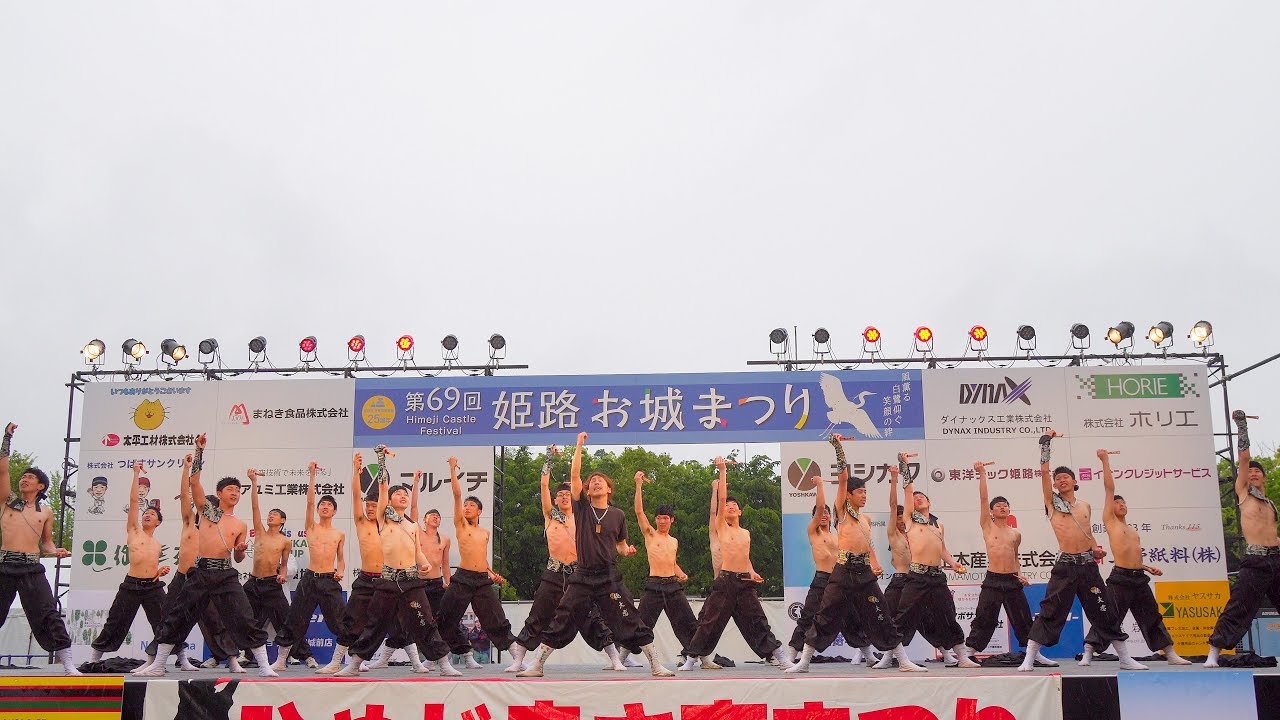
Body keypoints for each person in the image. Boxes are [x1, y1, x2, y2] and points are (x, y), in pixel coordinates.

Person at [516, 432, 674, 678]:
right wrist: (579, 445)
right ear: (587, 491)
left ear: (609, 489)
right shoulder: (581, 509)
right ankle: (537, 665)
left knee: (630, 616)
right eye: (592, 482)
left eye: (601, 481)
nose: (596, 482)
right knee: (562, 615)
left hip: (609, 576)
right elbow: (574, 476)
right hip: (582, 576)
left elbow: (620, 544)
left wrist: (627, 550)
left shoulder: (618, 515)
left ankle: (655, 664)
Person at [138, 433, 279, 677]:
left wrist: (240, 550)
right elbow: (194, 484)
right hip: (201, 572)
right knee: (178, 616)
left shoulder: (240, 524)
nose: (234, 493)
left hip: (225, 573)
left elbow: (238, 559)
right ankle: (158, 665)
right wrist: (199, 451)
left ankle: (265, 667)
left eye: (238, 490)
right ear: (219, 493)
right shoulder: (207, 512)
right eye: (230, 489)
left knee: (244, 617)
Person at [788, 435, 924, 673]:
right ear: (849, 495)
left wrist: (874, 563)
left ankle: (903, 661)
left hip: (864, 573)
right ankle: (804, 662)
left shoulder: (865, 519)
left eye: (865, 492)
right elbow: (843, 478)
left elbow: (868, 545)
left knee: (882, 613)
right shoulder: (842, 511)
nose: (864, 495)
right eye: (860, 491)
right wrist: (838, 447)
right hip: (843, 571)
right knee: (824, 614)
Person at [1018, 431, 1144, 672]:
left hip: (1088, 566)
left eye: (1066, 477)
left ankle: (1125, 659)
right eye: (1058, 478)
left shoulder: (1085, 505)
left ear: (1075, 482)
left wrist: (1095, 549)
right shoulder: (1052, 503)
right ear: (1055, 485)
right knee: (1051, 610)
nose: (1062, 480)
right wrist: (1046, 444)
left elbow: (1088, 533)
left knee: (1105, 609)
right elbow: (1044, 472)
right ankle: (1029, 658)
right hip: (1065, 566)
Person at [336, 446, 458, 677]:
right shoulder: (383, 518)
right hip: (388, 580)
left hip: (411, 580)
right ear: (389, 500)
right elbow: (383, 486)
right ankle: (354, 665)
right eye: (398, 493)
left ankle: (444, 664)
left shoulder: (412, 525)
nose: (403, 496)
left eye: (405, 494)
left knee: (425, 621)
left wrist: (424, 564)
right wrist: (381, 459)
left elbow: (417, 551)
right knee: (374, 624)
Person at [507, 447, 618, 672]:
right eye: (561, 495)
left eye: (568, 494)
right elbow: (543, 485)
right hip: (554, 572)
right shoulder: (551, 516)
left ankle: (615, 657)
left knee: (591, 615)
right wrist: (549, 457)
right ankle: (519, 660)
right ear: (555, 499)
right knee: (538, 614)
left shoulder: (583, 516)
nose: (565, 496)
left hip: (579, 574)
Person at [680, 457, 792, 671]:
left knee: (758, 620)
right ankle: (691, 659)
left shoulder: (746, 533)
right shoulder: (722, 527)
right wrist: (722, 472)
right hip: (725, 581)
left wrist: (752, 571)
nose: (730, 507)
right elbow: (721, 500)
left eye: (735, 506)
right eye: (728, 506)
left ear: (740, 512)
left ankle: (779, 656)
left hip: (744, 582)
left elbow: (745, 556)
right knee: (710, 622)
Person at [1080, 449, 1190, 666]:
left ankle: (1170, 653)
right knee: (1108, 615)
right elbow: (1109, 488)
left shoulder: (1132, 530)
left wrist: (1147, 568)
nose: (1121, 504)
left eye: (1123, 502)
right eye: (1117, 502)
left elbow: (1132, 555)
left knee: (1152, 615)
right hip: (1120, 578)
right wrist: (1105, 461)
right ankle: (1089, 651)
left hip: (1139, 577)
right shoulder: (1110, 521)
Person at [882, 453, 980, 668]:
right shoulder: (909, 520)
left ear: (929, 502)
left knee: (948, 616)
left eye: (922, 497)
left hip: (937, 577)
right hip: (916, 576)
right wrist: (905, 465)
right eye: (915, 498)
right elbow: (908, 490)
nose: (918, 498)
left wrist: (953, 563)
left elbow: (942, 549)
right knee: (903, 616)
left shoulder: (938, 525)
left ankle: (962, 657)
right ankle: (899, 660)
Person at [0, 422, 78, 675]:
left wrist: (56, 551)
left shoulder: (45, 511)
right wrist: (7, 438)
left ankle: (68, 663)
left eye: (30, 477)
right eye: (23, 476)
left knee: (48, 614)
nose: (24, 479)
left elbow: (46, 543)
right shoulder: (7, 502)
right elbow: (2, 471)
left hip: (31, 567)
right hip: (4, 566)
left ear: (41, 486)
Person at [786, 447, 875, 666]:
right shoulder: (813, 532)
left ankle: (868, 655)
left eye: (827, 513)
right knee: (808, 617)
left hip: (840, 578)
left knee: (852, 617)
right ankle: (791, 656)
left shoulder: (836, 534)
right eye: (821, 514)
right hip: (821, 580)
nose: (824, 515)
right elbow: (819, 507)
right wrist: (819, 485)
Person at [140, 453, 226, 673]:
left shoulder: (217, 529)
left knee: (213, 620)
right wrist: (187, 468)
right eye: (204, 507)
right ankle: (158, 660)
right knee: (169, 618)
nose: (207, 511)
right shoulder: (189, 522)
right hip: (182, 578)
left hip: (203, 578)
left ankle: (230, 659)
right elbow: (186, 496)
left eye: (212, 508)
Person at [963, 461, 1055, 667]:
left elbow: (1015, 557)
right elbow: (983, 498)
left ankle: (1033, 654)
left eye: (1005, 505)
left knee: (1023, 618)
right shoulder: (987, 526)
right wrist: (982, 473)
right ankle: (969, 653)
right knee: (985, 616)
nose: (1002, 507)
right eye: (998, 505)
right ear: (991, 511)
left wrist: (1020, 575)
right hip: (993, 579)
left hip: (1012, 580)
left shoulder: (1016, 534)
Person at [1207, 412, 1280, 667]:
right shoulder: (1244, 494)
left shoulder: (1269, 503)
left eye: (1258, 471)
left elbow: (1272, 533)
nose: (1254, 473)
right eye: (1250, 471)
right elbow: (1244, 458)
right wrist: (1242, 426)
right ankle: (1214, 653)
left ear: (1264, 477)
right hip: (1256, 561)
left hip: (1276, 560)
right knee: (1238, 606)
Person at [435, 456, 517, 669]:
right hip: (462, 578)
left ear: (480, 511)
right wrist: (452, 469)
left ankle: (517, 658)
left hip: (481, 580)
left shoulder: (485, 532)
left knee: (496, 618)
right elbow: (457, 494)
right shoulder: (461, 525)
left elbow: (481, 557)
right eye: (466, 505)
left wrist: (491, 573)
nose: (467, 507)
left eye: (472, 505)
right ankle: (436, 657)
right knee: (445, 617)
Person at [88, 462, 171, 664]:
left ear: (158, 522)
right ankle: (94, 658)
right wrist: (135, 474)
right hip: (131, 584)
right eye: (145, 513)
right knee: (116, 620)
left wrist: (160, 571)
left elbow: (150, 565)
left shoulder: (158, 544)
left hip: (152, 586)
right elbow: (134, 502)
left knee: (165, 622)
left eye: (152, 514)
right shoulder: (134, 531)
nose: (147, 515)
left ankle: (181, 659)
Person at [271, 463, 347, 671]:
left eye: (329, 505)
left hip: (329, 580)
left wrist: (341, 571)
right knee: (295, 619)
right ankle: (281, 661)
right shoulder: (311, 527)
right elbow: (310, 501)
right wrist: (312, 475)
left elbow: (341, 559)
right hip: (310, 580)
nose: (325, 507)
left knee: (341, 622)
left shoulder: (339, 534)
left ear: (334, 511)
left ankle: (345, 661)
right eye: (322, 504)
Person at [240, 470, 312, 670]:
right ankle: (241, 655)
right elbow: (255, 507)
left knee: (286, 620)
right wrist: (254, 482)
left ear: (282, 521)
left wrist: (282, 574)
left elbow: (285, 563)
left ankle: (305, 655)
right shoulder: (260, 532)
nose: (271, 516)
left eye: (275, 515)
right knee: (245, 618)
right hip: (253, 583)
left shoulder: (285, 541)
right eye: (270, 514)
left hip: (272, 585)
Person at [632, 470, 700, 667]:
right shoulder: (650, 535)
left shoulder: (674, 541)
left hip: (672, 584)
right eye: (659, 518)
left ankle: (700, 657)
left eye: (666, 518)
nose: (662, 521)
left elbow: (672, 562)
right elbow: (639, 512)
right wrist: (638, 485)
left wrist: (681, 574)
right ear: (655, 519)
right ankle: (622, 656)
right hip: (654, 584)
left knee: (688, 621)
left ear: (672, 520)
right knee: (641, 621)